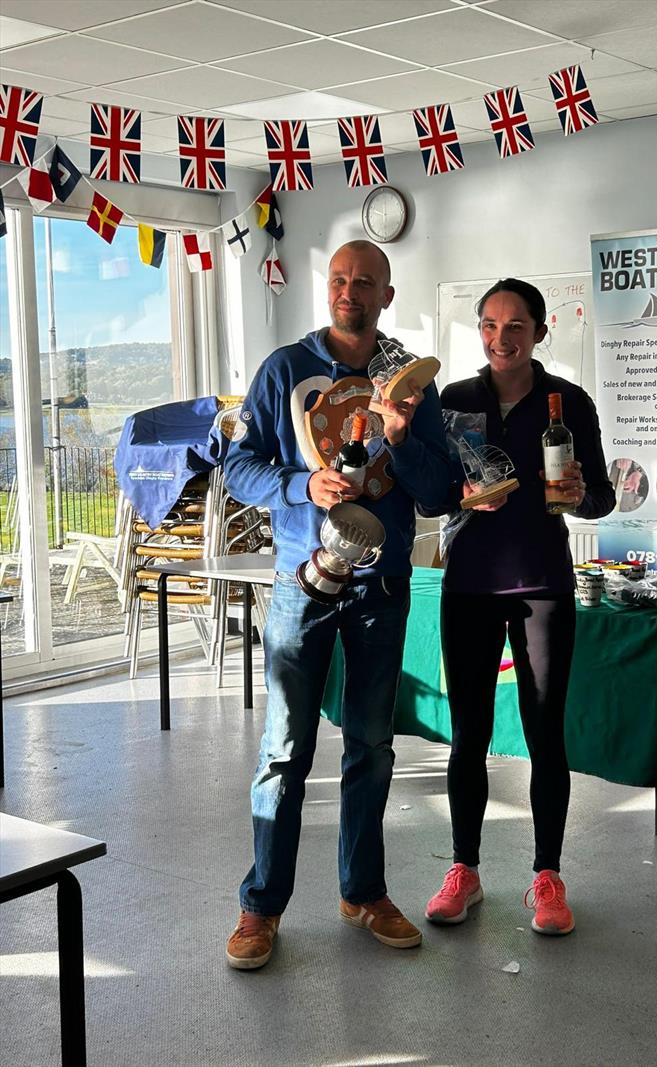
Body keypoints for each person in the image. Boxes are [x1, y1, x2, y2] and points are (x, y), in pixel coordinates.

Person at [223, 241, 451, 969]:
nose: (349, 290)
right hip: (304, 580)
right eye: (339, 279)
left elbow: (440, 491)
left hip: (381, 585)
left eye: (365, 282)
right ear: (330, 288)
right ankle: (261, 906)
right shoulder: (286, 369)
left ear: (387, 294)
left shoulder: (409, 380)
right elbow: (237, 465)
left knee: (372, 748)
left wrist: (401, 437)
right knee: (284, 749)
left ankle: (364, 891)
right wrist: (302, 486)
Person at [425, 278, 614, 936]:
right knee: (468, 735)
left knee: (543, 734)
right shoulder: (454, 400)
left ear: (538, 331)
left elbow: (600, 502)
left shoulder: (568, 403)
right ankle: (464, 869)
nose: (500, 338)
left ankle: (547, 875)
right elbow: (431, 495)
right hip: (469, 586)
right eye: (489, 325)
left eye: (515, 326)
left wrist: (580, 490)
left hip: (542, 586)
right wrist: (464, 494)